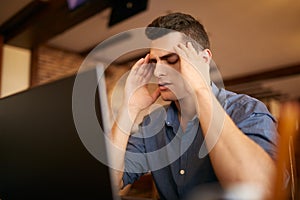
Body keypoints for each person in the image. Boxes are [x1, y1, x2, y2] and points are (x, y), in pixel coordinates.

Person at [108, 12, 278, 200]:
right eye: (155, 62)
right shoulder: (154, 123)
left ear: (204, 59)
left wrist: (199, 89)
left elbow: (261, 190)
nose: (158, 72)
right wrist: (128, 109)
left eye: (171, 59)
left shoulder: (247, 111)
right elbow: (111, 182)